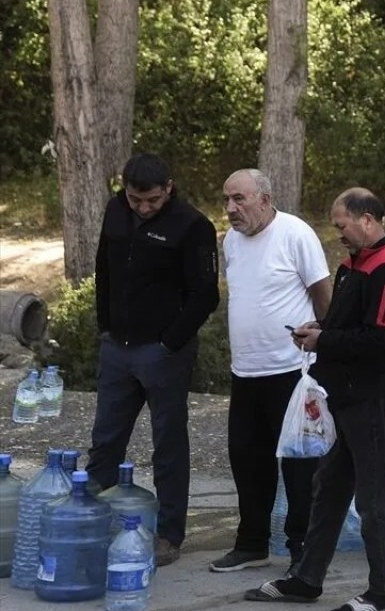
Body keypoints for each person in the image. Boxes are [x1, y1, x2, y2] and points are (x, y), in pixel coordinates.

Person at [246, 188, 385, 611]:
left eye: (341, 225)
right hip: (344, 394)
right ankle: (306, 578)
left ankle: (384, 592)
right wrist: (318, 328)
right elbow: (349, 324)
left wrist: (326, 339)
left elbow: (383, 340)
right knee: (329, 487)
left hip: (374, 396)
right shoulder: (353, 265)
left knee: (374, 496)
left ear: (366, 220)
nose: (337, 233)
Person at [87, 152, 220, 567]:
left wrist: (170, 343)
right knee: (105, 440)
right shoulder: (114, 211)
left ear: (169, 188)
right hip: (117, 348)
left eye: (153, 201)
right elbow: (103, 269)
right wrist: (105, 326)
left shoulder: (193, 226)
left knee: (167, 443)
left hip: (163, 352)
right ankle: (92, 519)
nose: (144, 208)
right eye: (135, 200)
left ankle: (169, 533)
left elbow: (206, 294)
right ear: (123, 191)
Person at [210, 170, 332, 573]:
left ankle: (302, 550)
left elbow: (322, 294)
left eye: (239, 199)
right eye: (227, 200)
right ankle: (251, 543)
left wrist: (328, 343)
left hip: (292, 370)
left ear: (265, 198)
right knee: (247, 459)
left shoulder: (296, 233)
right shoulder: (231, 241)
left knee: (299, 465)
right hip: (246, 371)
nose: (231, 209)